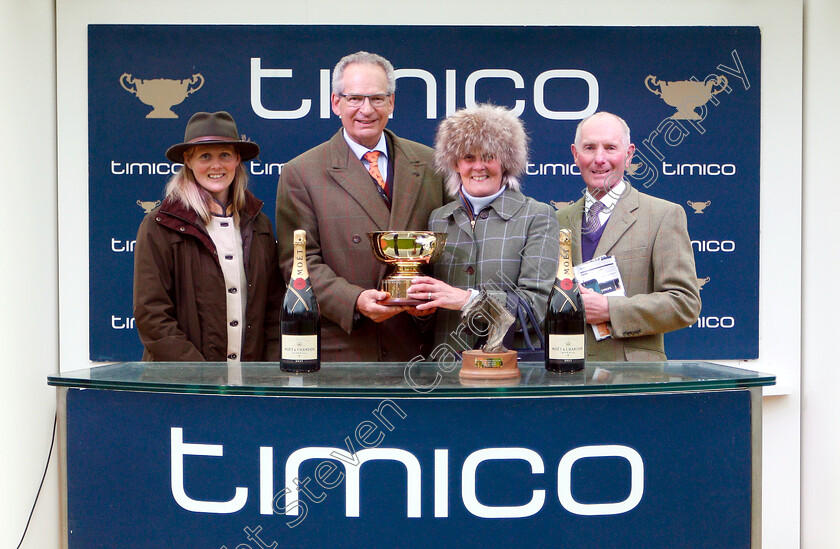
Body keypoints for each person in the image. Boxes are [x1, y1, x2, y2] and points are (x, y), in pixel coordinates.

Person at [276, 51, 447, 362]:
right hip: (346, 349)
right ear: (335, 103)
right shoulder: (301, 172)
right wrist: (354, 300)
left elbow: (451, 254)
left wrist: (432, 301)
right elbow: (299, 263)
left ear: (391, 103)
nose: (366, 110)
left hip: (417, 348)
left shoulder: (432, 165)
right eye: (354, 98)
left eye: (377, 99)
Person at [406, 104, 560, 353]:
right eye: (468, 157)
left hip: (507, 371)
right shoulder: (438, 219)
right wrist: (421, 311)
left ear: (506, 162)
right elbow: (432, 312)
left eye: (488, 156)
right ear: (455, 163)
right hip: (445, 371)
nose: (478, 166)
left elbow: (536, 309)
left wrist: (468, 300)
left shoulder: (537, 216)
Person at [134, 111, 283, 361]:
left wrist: (264, 376)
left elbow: (273, 311)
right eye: (205, 156)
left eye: (224, 155)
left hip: (249, 387)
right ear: (188, 161)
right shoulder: (160, 225)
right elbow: (152, 315)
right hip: (184, 388)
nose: (216, 166)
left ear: (237, 159)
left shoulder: (260, 226)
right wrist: (201, 376)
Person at [554, 111, 701, 361]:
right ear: (575, 155)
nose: (600, 158)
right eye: (589, 147)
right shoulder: (557, 221)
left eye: (610, 148)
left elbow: (685, 303)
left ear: (629, 154)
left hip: (634, 378)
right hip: (567, 373)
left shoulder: (664, 215)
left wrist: (611, 310)